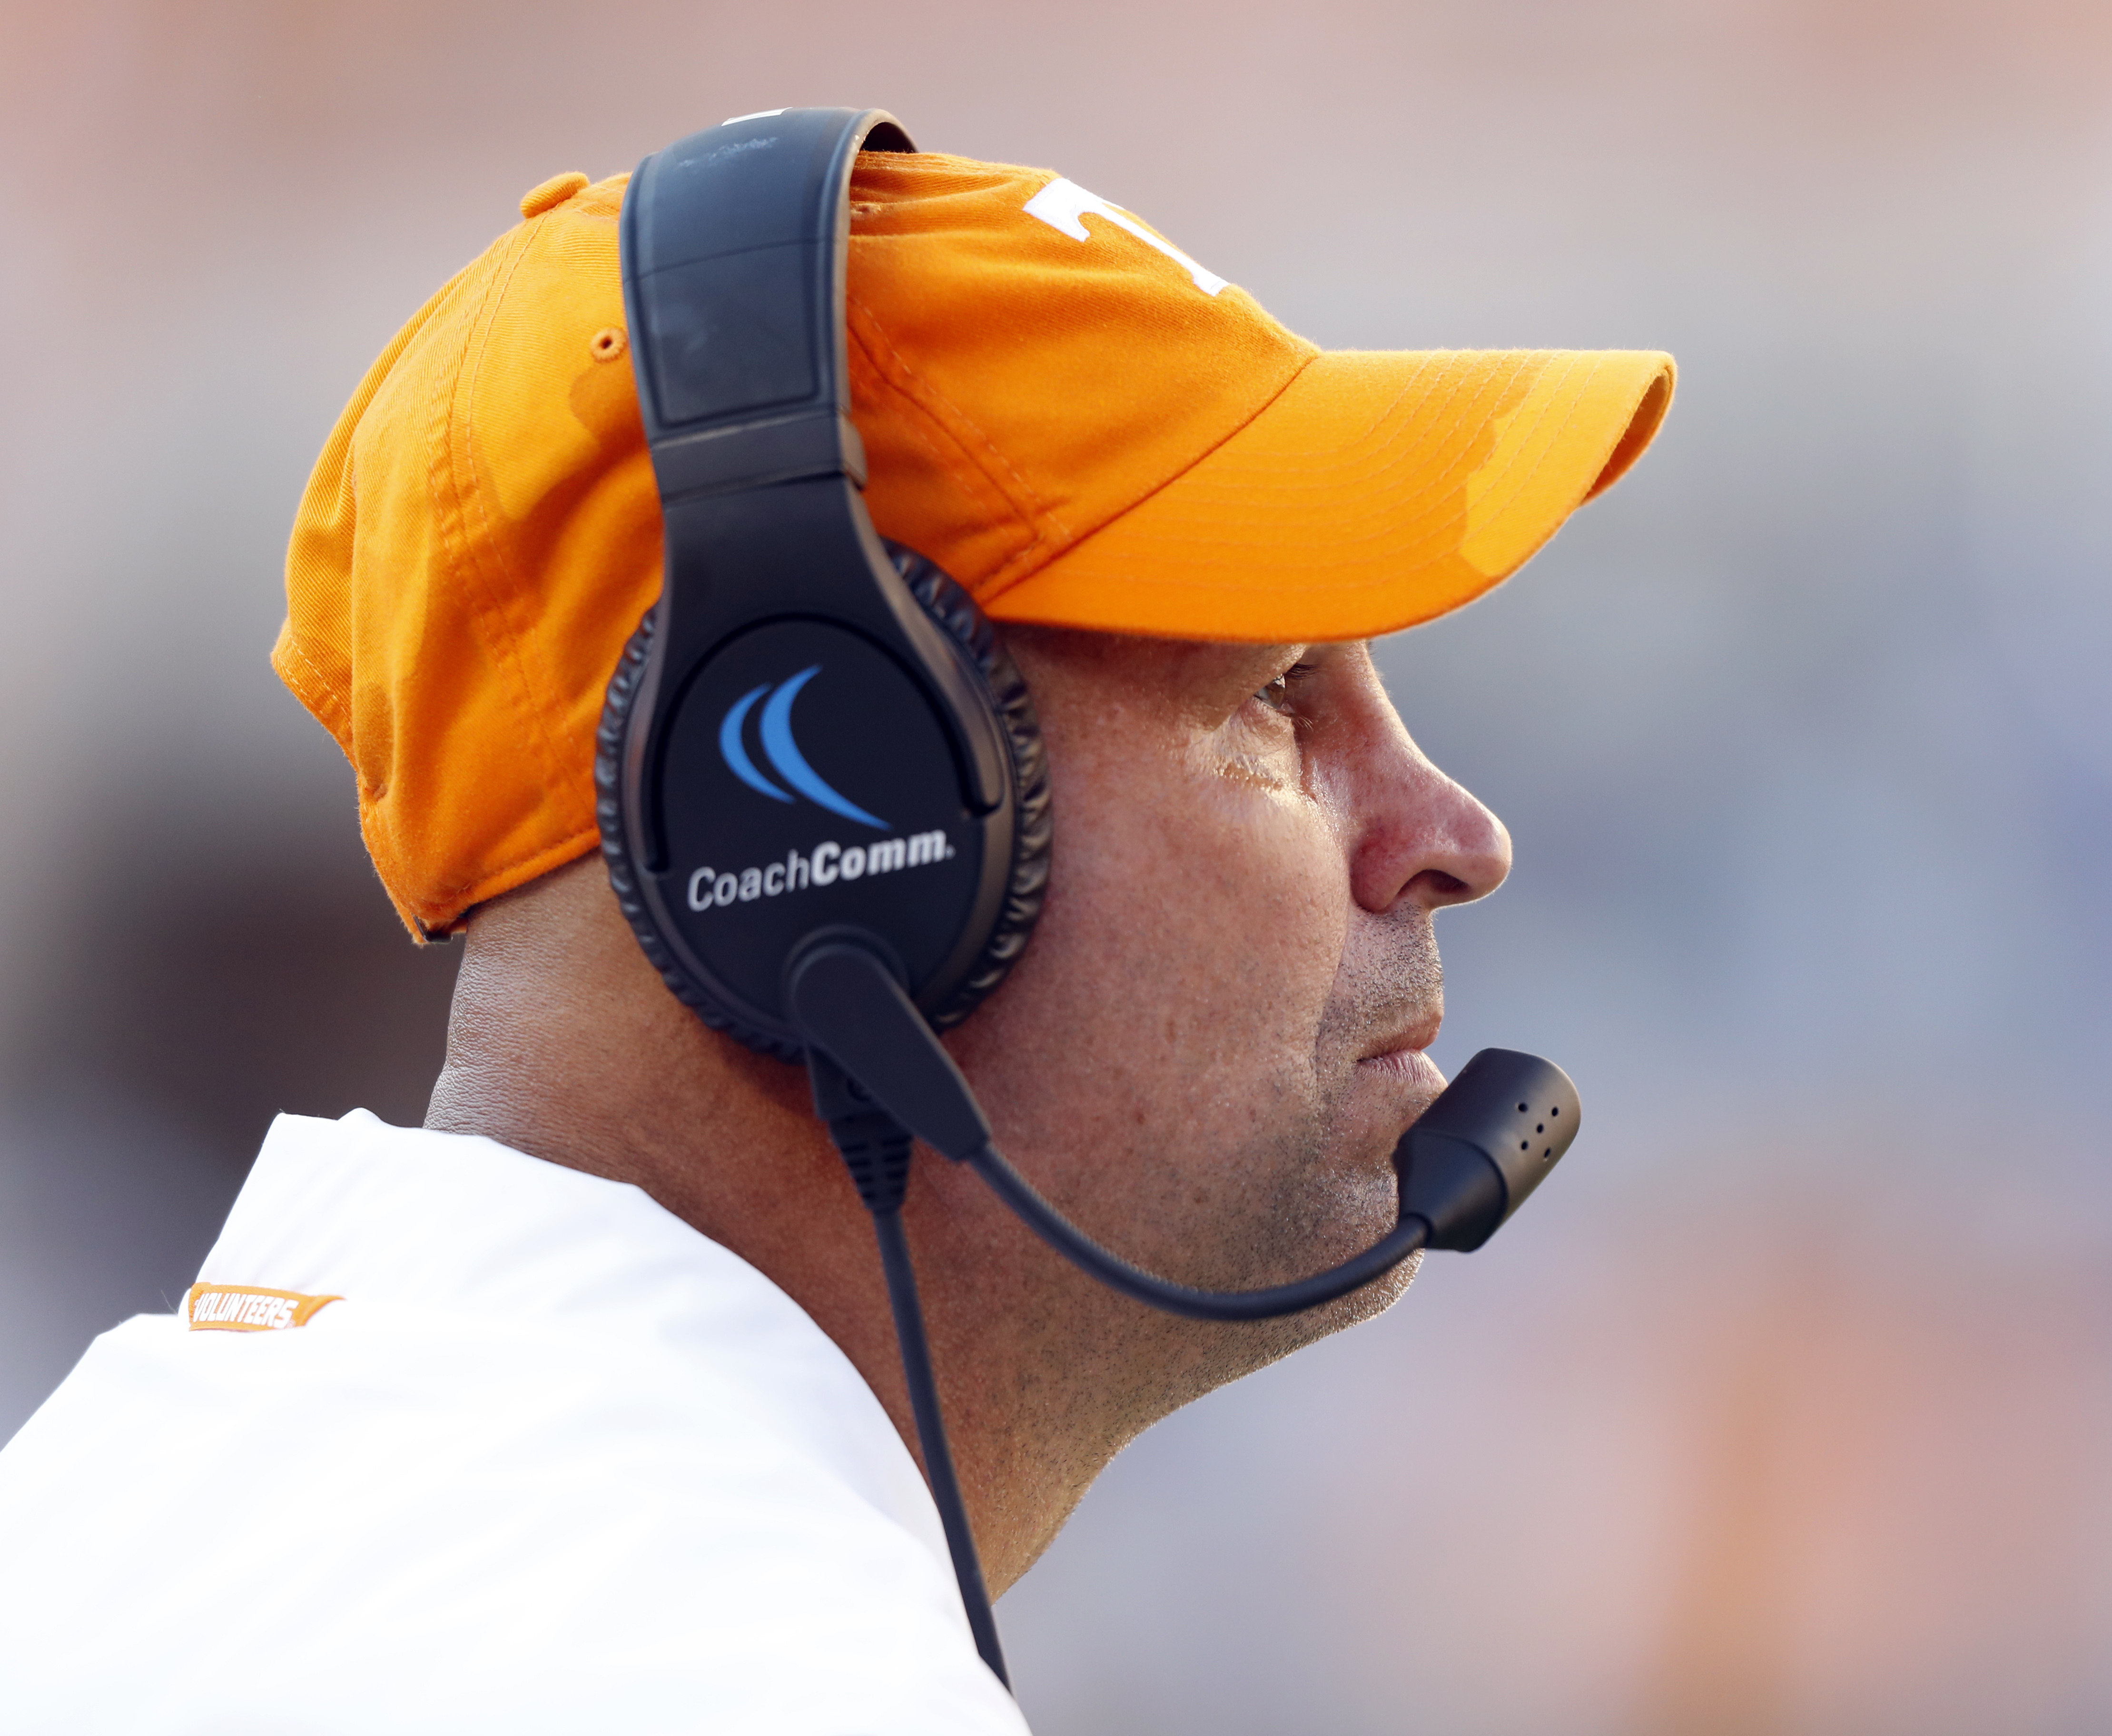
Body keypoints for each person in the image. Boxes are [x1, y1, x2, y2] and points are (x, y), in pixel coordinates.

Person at [0, 139, 1671, 1731]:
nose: (1458, 838)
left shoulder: (141, 1515)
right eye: (1270, 699)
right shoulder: (723, 1675)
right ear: (825, 837)